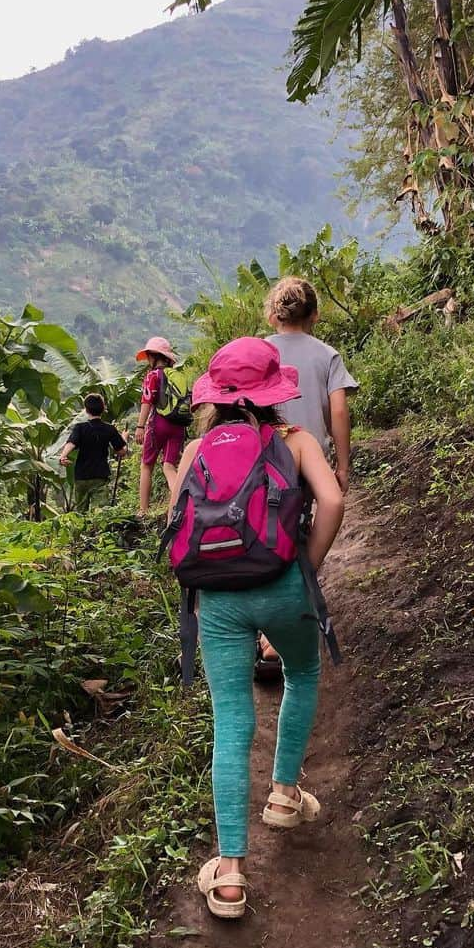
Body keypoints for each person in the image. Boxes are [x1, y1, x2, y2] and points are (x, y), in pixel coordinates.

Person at [167, 338, 345, 918]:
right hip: (282, 587)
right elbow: (333, 503)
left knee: (232, 719)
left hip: (217, 600)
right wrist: (305, 572)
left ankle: (230, 876)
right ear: (275, 392)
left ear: (213, 397)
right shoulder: (297, 442)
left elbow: (181, 525)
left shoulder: (196, 449)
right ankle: (286, 795)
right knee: (301, 671)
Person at [265, 275, 358, 494]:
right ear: (315, 315)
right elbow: (339, 412)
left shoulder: (260, 352)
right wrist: (342, 468)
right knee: (315, 514)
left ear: (273, 317)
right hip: (312, 459)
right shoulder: (328, 355)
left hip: (268, 455)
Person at [134, 335, 189, 517]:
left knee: (146, 465)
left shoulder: (153, 376)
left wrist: (140, 426)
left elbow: (146, 402)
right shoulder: (178, 376)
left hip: (158, 423)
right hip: (178, 425)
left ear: (153, 356)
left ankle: (143, 510)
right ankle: (179, 501)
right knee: (169, 466)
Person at [59, 393, 127, 512]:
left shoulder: (80, 428)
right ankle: (97, 530)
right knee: (99, 511)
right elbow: (121, 451)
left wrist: (63, 456)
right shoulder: (109, 429)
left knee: (80, 513)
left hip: (81, 476)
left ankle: (81, 530)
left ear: (86, 410)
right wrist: (124, 438)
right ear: (103, 408)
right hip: (100, 475)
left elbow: (71, 443)